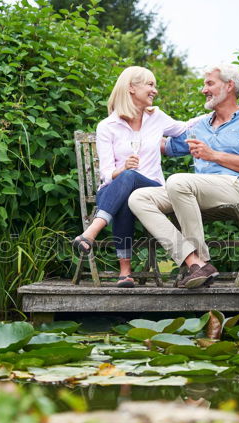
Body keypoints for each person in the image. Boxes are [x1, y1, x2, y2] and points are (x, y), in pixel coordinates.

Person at [128, 63, 239, 288]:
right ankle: (193, 261)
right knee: (139, 198)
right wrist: (137, 120)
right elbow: (165, 146)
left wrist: (213, 155)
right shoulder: (201, 125)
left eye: (209, 83)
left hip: (233, 188)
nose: (203, 90)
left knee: (178, 181)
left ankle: (202, 260)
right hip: (193, 191)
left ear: (229, 85)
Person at [72, 66, 195, 287]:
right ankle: (125, 273)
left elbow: (184, 128)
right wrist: (122, 169)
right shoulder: (107, 127)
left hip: (152, 188)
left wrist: (214, 114)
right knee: (127, 188)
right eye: (150, 85)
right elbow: (108, 174)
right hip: (116, 188)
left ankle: (90, 233)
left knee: (129, 179)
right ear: (131, 87)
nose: (154, 90)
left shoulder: (156, 117)